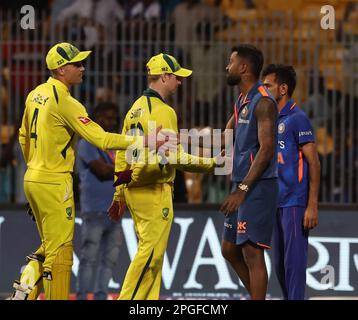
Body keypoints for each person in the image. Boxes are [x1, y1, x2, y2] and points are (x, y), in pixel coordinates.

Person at [9, 42, 165, 300]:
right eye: (77, 64)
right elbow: (102, 139)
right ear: (60, 69)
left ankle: (26, 284)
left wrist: (35, 170)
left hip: (33, 178)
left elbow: (23, 136)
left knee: (50, 244)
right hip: (55, 182)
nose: (83, 68)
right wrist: (145, 141)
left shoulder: (35, 94)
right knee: (60, 253)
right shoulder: (66, 102)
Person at [108, 53, 222, 300]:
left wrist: (119, 194)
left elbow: (122, 154)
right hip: (155, 191)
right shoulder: (164, 111)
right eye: (177, 77)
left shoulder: (133, 109)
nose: (180, 83)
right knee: (150, 256)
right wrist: (214, 163)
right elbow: (175, 157)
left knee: (153, 258)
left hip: (134, 189)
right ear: (165, 77)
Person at [220, 44, 278, 300]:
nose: (227, 67)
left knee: (253, 253)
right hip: (242, 185)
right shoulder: (241, 101)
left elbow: (267, 150)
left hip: (257, 187)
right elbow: (223, 140)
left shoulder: (263, 101)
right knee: (229, 250)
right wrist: (178, 140)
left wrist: (242, 190)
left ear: (243, 68)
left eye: (231, 62)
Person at [262, 64, 320, 300]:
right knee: (279, 266)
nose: (263, 90)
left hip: (294, 203)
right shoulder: (269, 117)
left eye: (268, 85)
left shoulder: (298, 119)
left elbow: (314, 163)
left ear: (283, 88)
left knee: (294, 264)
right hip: (274, 201)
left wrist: (312, 205)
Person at [76, 102, 122, 300]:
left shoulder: (115, 143)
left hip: (115, 210)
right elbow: (102, 172)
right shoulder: (87, 142)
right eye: (107, 117)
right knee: (89, 258)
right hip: (94, 210)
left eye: (114, 118)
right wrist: (126, 171)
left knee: (109, 260)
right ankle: (81, 296)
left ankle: (100, 296)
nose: (111, 122)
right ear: (97, 119)